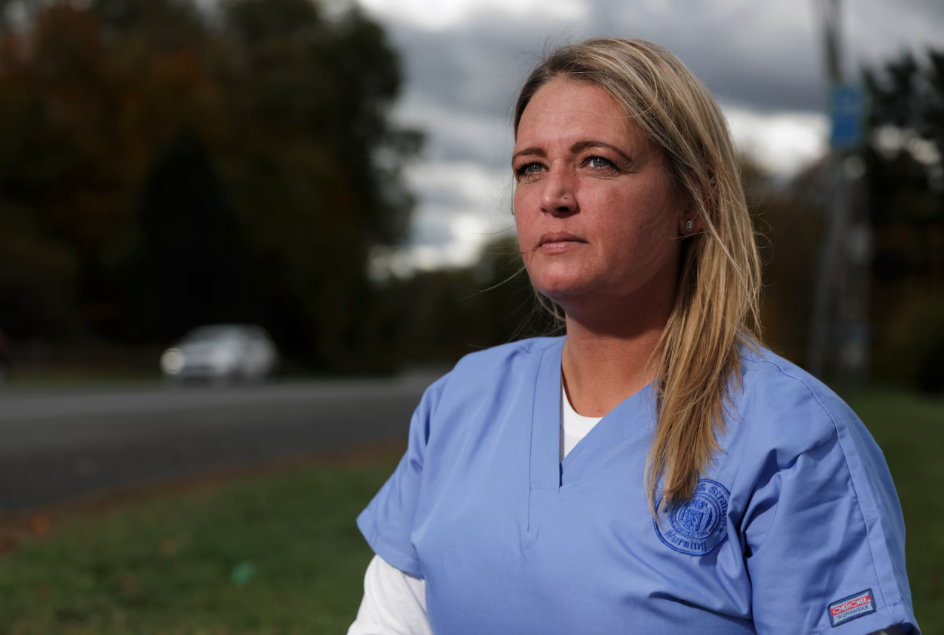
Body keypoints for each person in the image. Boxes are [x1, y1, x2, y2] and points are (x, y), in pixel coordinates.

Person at [348, 38, 919, 634]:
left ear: (694, 200)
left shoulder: (793, 439)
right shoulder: (462, 402)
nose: (554, 196)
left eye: (597, 161)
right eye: (531, 167)